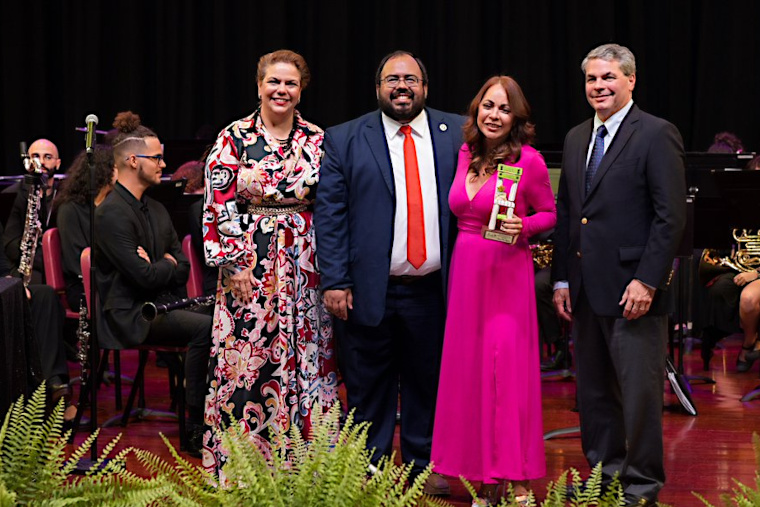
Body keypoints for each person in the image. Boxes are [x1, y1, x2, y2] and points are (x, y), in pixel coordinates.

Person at [314, 50, 464, 496]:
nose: (402, 86)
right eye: (392, 79)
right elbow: (331, 215)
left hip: (435, 290)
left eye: (411, 79)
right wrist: (335, 280)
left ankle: (423, 469)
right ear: (378, 87)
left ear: (425, 87)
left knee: (427, 384)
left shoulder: (457, 132)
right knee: (367, 388)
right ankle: (370, 472)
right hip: (366, 290)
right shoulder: (344, 138)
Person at [551, 43, 686, 506]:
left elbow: (670, 218)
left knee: (640, 396)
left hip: (635, 290)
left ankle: (642, 485)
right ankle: (605, 476)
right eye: (591, 79)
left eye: (608, 77)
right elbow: (570, 213)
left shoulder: (655, 133)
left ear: (630, 80)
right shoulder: (574, 138)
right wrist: (563, 279)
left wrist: (648, 280)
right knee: (592, 393)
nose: (599, 86)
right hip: (586, 289)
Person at [201, 50, 337, 476]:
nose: (282, 90)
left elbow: (334, 201)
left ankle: (308, 467)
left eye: (291, 83)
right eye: (274, 82)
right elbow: (218, 203)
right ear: (259, 86)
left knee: (307, 357)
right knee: (249, 359)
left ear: (302, 90)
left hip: (306, 261)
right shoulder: (234, 137)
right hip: (251, 266)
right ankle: (245, 468)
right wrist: (234, 264)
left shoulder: (318, 138)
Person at [429, 76, 555, 505]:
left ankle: (516, 480)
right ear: (476, 111)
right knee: (470, 374)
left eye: (503, 109)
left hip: (506, 274)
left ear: (516, 117)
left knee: (506, 374)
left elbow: (550, 214)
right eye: (487, 106)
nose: (494, 115)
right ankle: (483, 477)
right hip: (466, 276)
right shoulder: (465, 154)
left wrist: (527, 227)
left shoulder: (530, 162)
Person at [94, 111, 212, 456]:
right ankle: (195, 425)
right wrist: (165, 265)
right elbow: (143, 277)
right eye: (157, 157)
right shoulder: (111, 213)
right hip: (132, 313)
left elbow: (184, 266)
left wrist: (160, 264)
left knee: (228, 313)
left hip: (162, 302)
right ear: (133, 161)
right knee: (205, 329)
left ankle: (221, 410)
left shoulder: (157, 210)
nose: (164, 164)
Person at [54, 144, 116, 310]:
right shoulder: (70, 209)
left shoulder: (113, 206)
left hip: (111, 281)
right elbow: (76, 263)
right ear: (105, 171)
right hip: (84, 287)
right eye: (116, 167)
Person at [3, 138, 62, 283]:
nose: (40, 162)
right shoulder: (11, 195)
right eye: (35, 156)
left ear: (58, 163)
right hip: (23, 270)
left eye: (48, 157)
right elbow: (9, 245)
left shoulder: (66, 195)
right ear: (27, 161)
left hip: (59, 267)